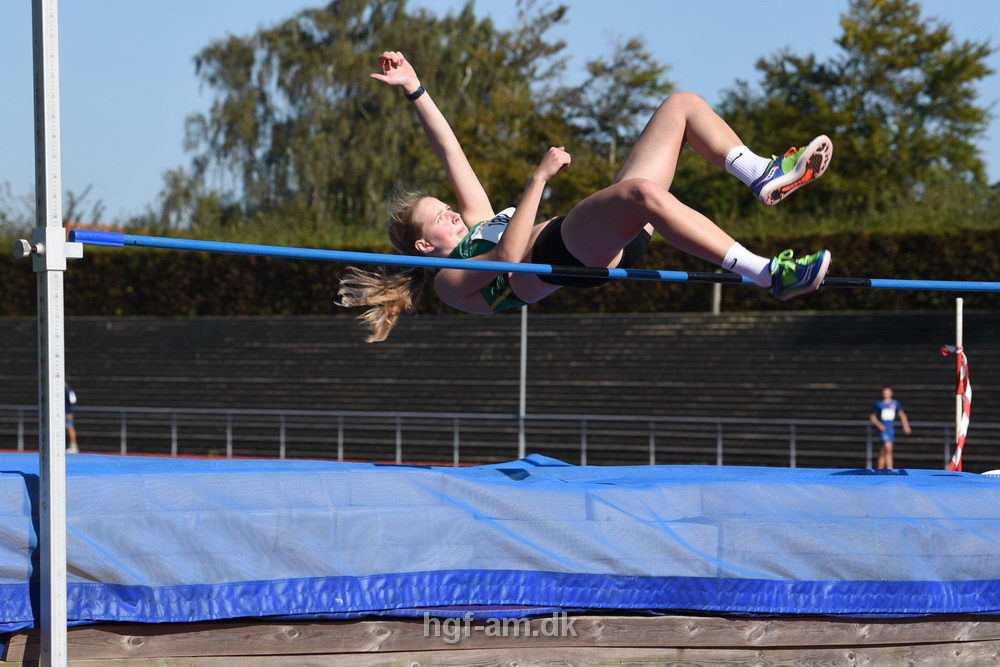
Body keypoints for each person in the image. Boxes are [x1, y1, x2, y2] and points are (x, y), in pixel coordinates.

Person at [339, 51, 833, 342]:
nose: (453, 214)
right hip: (564, 255)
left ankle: (761, 174)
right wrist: (537, 179)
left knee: (680, 106)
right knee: (638, 191)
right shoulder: (450, 280)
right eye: (441, 218)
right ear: (425, 245)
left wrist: (414, 87)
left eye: (447, 208)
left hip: (600, 236)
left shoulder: (475, 222)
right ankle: (770, 273)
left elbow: (449, 151)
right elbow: (512, 257)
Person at [870, 387, 911, 469]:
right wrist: (879, 425)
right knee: (888, 447)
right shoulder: (879, 404)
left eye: (887, 392)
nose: (886, 394)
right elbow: (872, 417)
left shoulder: (895, 403)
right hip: (883, 429)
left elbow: (902, 415)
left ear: (891, 393)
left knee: (884, 450)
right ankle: (889, 468)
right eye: (884, 392)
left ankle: (881, 469)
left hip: (890, 429)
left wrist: (906, 426)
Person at [65, 381, 79, 454]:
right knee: (69, 427)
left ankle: (74, 446)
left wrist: (69, 412)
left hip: (67, 412)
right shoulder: (68, 389)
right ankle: (73, 446)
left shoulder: (67, 390)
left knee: (70, 427)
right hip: (66, 411)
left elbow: (72, 401)